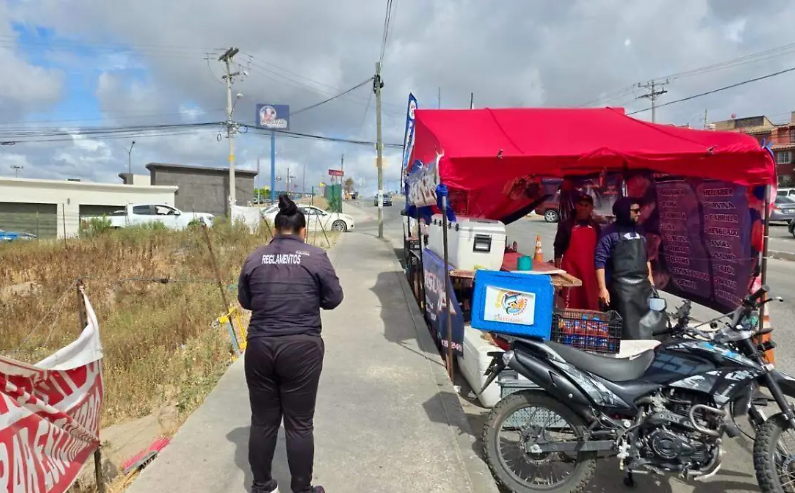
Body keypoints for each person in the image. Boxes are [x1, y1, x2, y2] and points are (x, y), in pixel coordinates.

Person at [238, 194, 344, 493]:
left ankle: (261, 486)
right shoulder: (315, 257)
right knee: (299, 424)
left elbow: (245, 301)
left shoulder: (254, 257)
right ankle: (301, 489)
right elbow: (334, 299)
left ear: (275, 230)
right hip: (301, 348)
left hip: (260, 346)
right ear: (303, 231)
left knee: (262, 421)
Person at [594, 197, 654, 340]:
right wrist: (602, 289)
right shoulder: (609, 233)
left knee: (645, 326)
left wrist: (651, 280)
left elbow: (646, 258)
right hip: (620, 289)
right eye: (636, 211)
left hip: (642, 288)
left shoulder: (640, 230)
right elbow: (599, 261)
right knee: (625, 329)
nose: (639, 213)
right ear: (623, 212)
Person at [553, 194, 601, 311]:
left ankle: (590, 328)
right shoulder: (566, 225)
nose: (583, 208)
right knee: (571, 303)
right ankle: (568, 328)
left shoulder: (595, 226)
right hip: (571, 272)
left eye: (586, 205)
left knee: (590, 302)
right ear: (576, 206)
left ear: (591, 208)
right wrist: (558, 274)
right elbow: (558, 250)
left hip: (590, 273)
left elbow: (600, 252)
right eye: (581, 205)